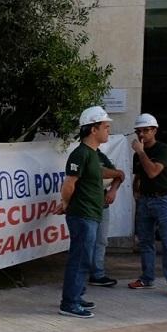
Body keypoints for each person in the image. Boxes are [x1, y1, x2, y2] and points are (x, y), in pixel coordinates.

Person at [58, 105, 113, 318]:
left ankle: (77, 295)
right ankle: (69, 303)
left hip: (90, 214)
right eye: (105, 127)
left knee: (84, 258)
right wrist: (65, 203)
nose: (108, 130)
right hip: (82, 215)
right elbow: (69, 184)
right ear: (93, 129)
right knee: (80, 259)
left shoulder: (93, 154)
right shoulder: (80, 154)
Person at [129, 113, 167, 299]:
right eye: (139, 131)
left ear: (154, 131)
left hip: (163, 199)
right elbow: (139, 174)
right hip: (145, 199)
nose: (142, 134)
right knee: (145, 241)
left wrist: (141, 152)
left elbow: (153, 171)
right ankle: (147, 278)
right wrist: (136, 191)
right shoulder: (139, 154)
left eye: (146, 130)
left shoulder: (163, 150)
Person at [89, 149, 125, 287]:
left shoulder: (101, 155)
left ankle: (97, 274)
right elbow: (98, 172)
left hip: (102, 204)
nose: (106, 138)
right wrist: (117, 173)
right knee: (85, 241)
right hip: (86, 205)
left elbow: (119, 176)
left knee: (101, 240)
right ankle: (79, 276)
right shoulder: (82, 153)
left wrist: (113, 190)